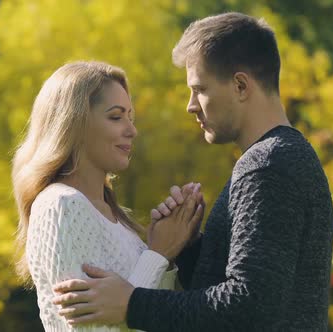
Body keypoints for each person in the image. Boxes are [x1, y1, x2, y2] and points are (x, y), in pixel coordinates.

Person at [51, 12, 333, 331]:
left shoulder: (267, 165)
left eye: (199, 89)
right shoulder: (281, 158)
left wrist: (131, 304)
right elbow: (251, 291)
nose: (190, 105)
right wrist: (186, 246)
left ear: (241, 85)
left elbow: (247, 307)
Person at [11, 61, 204, 331]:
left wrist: (171, 245)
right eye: (116, 117)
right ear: (74, 122)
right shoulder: (61, 205)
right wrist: (158, 254)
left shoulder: (117, 219)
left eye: (131, 118)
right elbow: (93, 330)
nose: (132, 130)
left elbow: (153, 315)